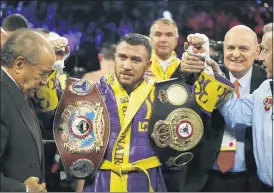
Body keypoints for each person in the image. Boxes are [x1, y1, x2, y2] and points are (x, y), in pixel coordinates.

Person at [75, 33, 166, 192]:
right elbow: (82, 149)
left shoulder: (162, 96)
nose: (126, 66)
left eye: (135, 60)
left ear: (148, 64)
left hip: (145, 182)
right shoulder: (93, 93)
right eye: (122, 57)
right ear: (115, 58)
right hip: (101, 183)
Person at [199, 25, 266, 192]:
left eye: (243, 48)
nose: (235, 54)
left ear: (257, 52)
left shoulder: (267, 84)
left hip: (253, 180)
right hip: (207, 179)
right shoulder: (208, 77)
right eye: (230, 48)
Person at [0, 29, 55, 192]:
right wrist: (23, 189)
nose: (45, 81)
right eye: (42, 74)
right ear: (19, 64)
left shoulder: (17, 89)